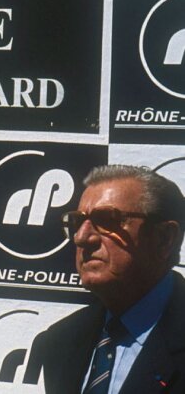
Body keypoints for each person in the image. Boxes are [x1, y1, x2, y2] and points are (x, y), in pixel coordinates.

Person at [25, 165, 185, 393]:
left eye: (107, 220)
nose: (82, 238)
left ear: (164, 239)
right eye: (77, 222)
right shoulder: (61, 340)